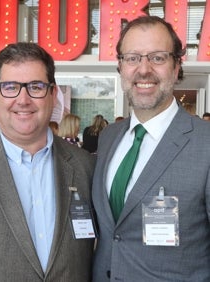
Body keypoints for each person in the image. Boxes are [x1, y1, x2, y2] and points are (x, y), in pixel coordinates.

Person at [92, 15, 210, 282]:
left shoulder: (206, 143)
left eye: (157, 57)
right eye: (132, 58)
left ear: (177, 65)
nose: (143, 69)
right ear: (120, 66)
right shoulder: (109, 137)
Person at [0, 42, 96, 281]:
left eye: (35, 87)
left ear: (53, 94)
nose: (23, 99)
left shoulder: (85, 167)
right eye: (10, 87)